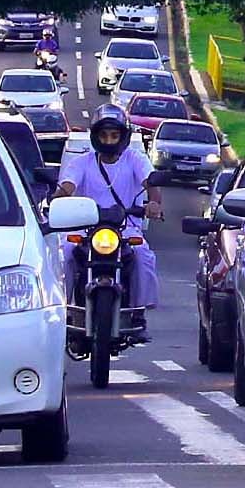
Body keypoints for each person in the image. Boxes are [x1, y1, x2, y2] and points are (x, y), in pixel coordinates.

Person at [55, 106, 159, 339]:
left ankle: (138, 312)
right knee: (66, 252)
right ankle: (61, 310)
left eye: (114, 135)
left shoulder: (135, 159)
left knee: (143, 255)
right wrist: (58, 199)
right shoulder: (81, 162)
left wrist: (154, 203)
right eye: (104, 135)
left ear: (123, 137)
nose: (109, 140)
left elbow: (150, 182)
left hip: (126, 227)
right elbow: (68, 186)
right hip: (84, 228)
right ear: (95, 137)